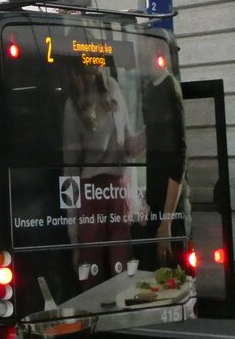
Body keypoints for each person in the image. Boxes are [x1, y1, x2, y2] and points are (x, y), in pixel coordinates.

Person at [63, 63, 143, 289]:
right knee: (92, 271)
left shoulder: (113, 88)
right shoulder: (73, 106)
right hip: (90, 192)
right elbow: (69, 168)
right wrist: (72, 231)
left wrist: (153, 128)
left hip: (117, 190)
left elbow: (129, 147)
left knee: (123, 270)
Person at [140, 39, 188, 267]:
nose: (139, 54)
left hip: (171, 208)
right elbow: (150, 135)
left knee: (172, 271)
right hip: (155, 203)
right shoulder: (149, 88)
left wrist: (167, 222)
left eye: (143, 48)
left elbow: (178, 161)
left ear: (156, 52)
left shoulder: (170, 88)